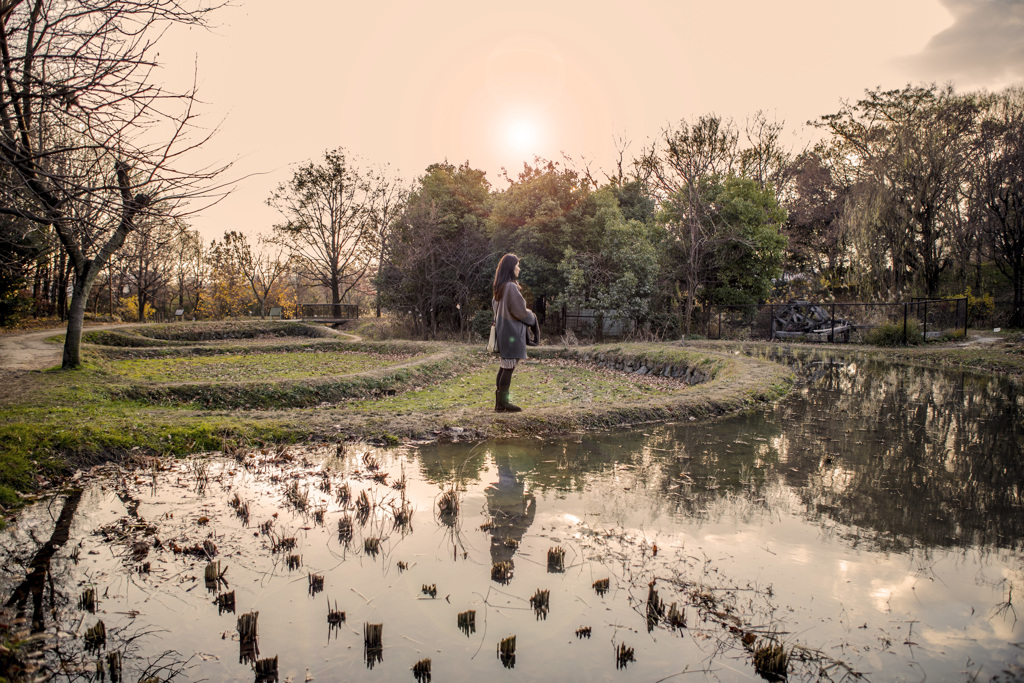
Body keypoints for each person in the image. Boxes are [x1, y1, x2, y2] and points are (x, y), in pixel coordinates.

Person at [492, 253, 539, 412]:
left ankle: (500, 403)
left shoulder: (500, 287)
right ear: (511, 268)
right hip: (511, 333)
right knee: (508, 367)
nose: (519, 268)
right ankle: (503, 403)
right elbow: (519, 311)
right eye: (517, 265)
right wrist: (532, 317)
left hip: (503, 332)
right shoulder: (510, 287)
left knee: (504, 366)